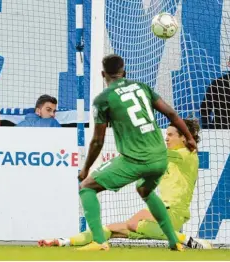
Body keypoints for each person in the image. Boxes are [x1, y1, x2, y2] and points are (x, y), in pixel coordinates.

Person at [67, 54, 197, 251]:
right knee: (145, 190)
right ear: (124, 72)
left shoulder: (103, 99)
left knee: (86, 187)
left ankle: (100, 242)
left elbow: (97, 141)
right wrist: (189, 137)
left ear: (103, 74)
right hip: (159, 158)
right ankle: (173, 241)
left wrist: (85, 168)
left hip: (136, 159)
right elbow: (171, 113)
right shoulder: (142, 88)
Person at [38, 118, 212, 249]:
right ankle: (63, 241)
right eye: (165, 134)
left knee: (133, 222)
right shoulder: (170, 159)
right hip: (163, 211)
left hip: (173, 212)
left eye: (170, 135)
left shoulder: (188, 154)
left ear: (183, 138)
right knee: (111, 229)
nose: (166, 138)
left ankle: (186, 240)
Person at [200, 57, 230, 129]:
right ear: (229, 64)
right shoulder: (218, 83)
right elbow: (205, 108)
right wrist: (207, 128)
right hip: (221, 130)